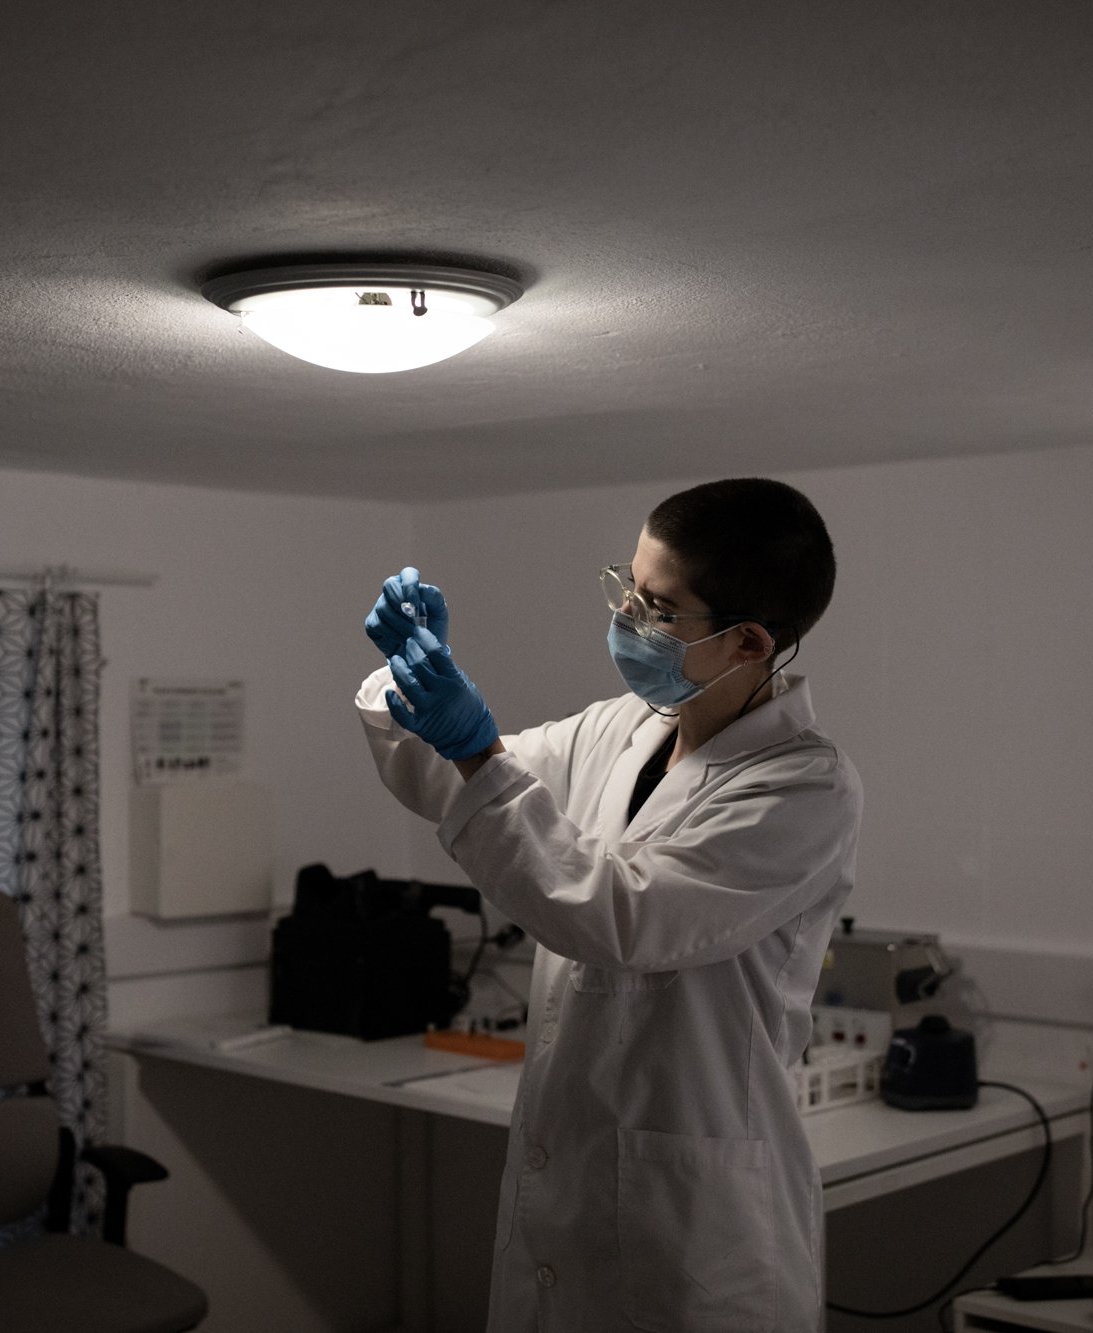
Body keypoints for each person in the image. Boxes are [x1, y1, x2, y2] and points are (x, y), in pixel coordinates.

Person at [355, 478, 860, 1333]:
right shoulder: (619, 729)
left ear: (746, 642)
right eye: (628, 585)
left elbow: (622, 917)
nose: (627, 614)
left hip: (696, 1231)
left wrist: (477, 748)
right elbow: (463, 783)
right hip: (573, 1183)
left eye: (659, 608)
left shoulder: (803, 787)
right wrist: (411, 686)